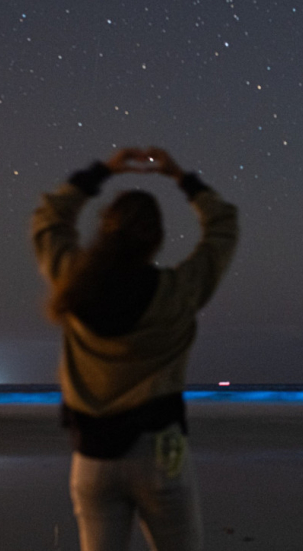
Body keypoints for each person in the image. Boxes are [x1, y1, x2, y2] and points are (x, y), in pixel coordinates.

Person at [31, 146, 239, 551]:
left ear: (106, 230)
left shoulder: (72, 282)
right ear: (157, 238)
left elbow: (49, 218)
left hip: (92, 457)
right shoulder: (177, 292)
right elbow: (224, 226)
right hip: (161, 452)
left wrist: (102, 171)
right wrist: (183, 177)